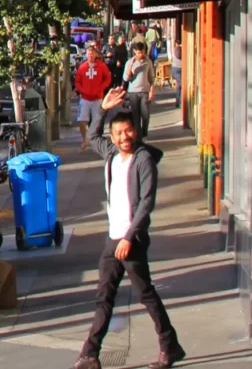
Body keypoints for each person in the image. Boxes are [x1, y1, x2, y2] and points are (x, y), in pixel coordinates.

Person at [73, 89, 184, 369]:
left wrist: (130, 237)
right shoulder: (111, 154)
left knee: (145, 294)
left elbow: (146, 202)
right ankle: (90, 355)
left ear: (136, 130)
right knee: (105, 298)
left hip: (130, 241)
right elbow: (94, 137)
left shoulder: (143, 160)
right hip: (114, 240)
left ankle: (168, 346)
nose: (124, 137)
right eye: (119, 132)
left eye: (128, 130)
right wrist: (103, 110)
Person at [74, 43, 112, 152]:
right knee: (81, 120)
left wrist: (101, 88)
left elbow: (107, 79)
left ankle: (96, 141)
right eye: (88, 54)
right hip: (85, 98)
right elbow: (77, 81)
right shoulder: (82, 67)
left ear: (95, 54)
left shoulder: (101, 66)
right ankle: (85, 139)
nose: (90, 56)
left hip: (97, 97)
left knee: (97, 120)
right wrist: (81, 90)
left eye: (92, 53)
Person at [123, 42, 155, 136]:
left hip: (144, 92)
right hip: (133, 92)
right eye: (138, 53)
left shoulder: (148, 62)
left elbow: (151, 78)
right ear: (134, 52)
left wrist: (152, 90)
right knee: (135, 116)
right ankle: (138, 135)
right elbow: (126, 78)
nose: (140, 55)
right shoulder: (129, 62)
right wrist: (131, 65)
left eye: (142, 52)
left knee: (145, 115)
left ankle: (144, 133)